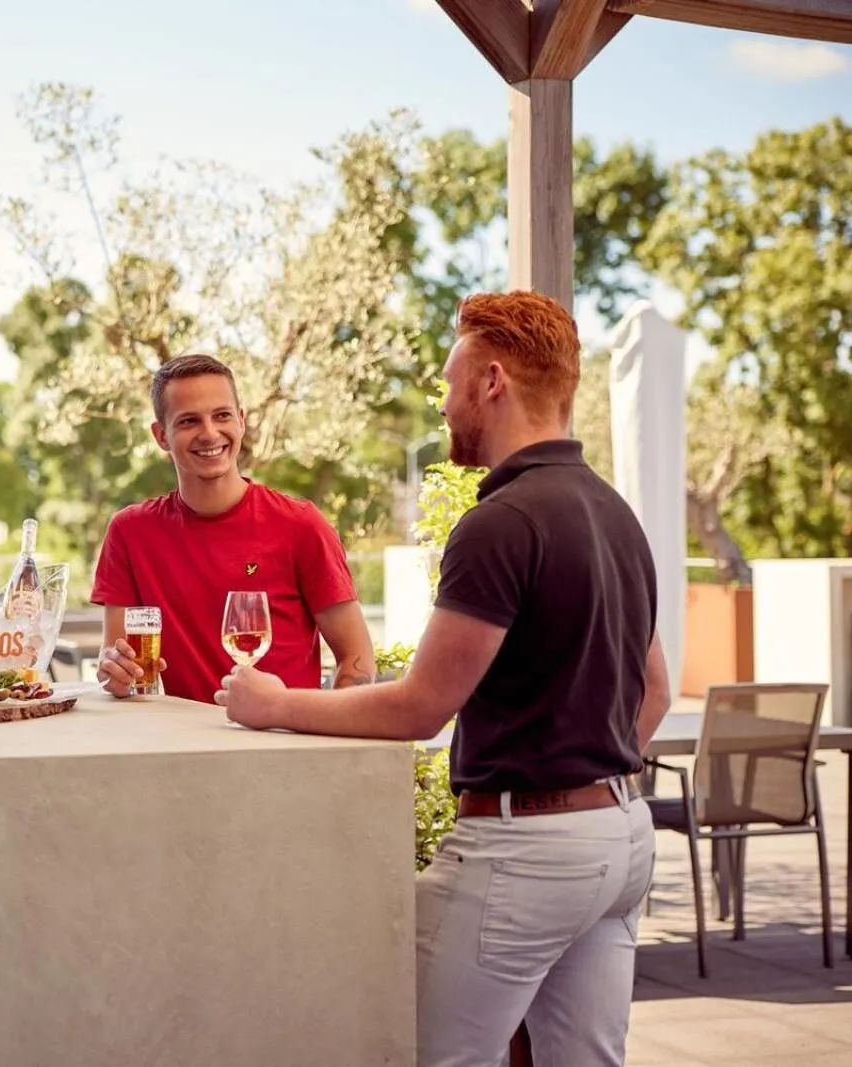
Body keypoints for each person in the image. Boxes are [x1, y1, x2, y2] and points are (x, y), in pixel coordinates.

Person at [217, 291, 670, 1067]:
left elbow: (423, 705)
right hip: (621, 837)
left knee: (418, 1053)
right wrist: (586, 780)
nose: (445, 400)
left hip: (526, 852)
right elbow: (654, 690)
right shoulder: (613, 511)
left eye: (452, 375)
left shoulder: (501, 522)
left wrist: (273, 703)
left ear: (492, 381)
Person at [90, 353, 374, 705]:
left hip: (286, 746)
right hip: (182, 750)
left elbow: (357, 661)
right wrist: (112, 672)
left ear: (241, 421)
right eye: (189, 421)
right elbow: (119, 668)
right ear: (161, 435)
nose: (210, 434)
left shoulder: (301, 526)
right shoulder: (130, 533)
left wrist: (326, 739)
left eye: (222, 415)